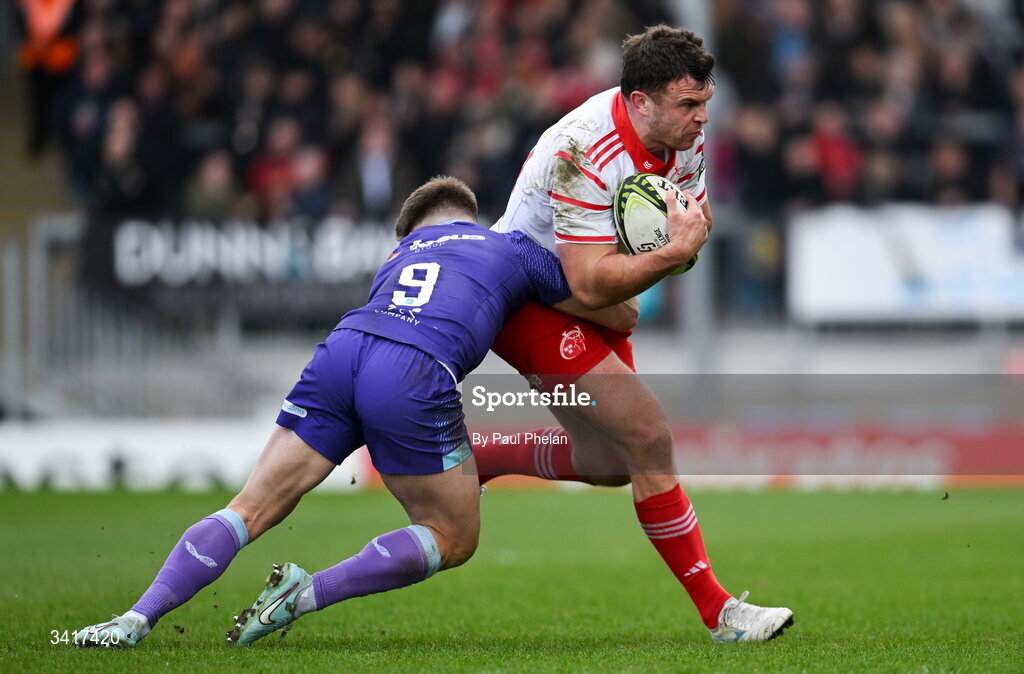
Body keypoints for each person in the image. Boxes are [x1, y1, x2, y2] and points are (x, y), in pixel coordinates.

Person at [72, 176, 662, 648]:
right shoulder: (505, 247)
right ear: (468, 214)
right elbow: (618, 312)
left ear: (410, 230)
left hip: (344, 349)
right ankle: (307, 594)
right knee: (452, 536)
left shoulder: (397, 255)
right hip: (413, 368)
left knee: (248, 509)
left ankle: (132, 620)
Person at [480, 25, 794, 642]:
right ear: (639, 100)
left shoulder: (684, 139)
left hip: (592, 294)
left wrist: (673, 252)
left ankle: (481, 455)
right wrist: (668, 255)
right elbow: (596, 283)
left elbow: (690, 236)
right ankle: (720, 612)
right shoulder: (580, 148)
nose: (702, 119)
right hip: (523, 297)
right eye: (688, 105)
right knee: (648, 434)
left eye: (705, 104)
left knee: (609, 462)